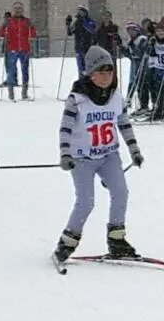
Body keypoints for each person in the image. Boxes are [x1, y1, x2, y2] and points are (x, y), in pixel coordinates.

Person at [53, 46, 144, 264]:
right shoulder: (77, 99)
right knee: (86, 202)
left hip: (109, 156)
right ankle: (67, 242)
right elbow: (65, 128)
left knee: (121, 193)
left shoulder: (115, 98)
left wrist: (134, 150)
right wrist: (65, 154)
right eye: (101, 72)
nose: (106, 77)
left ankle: (116, 238)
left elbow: (124, 124)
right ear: (90, 73)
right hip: (82, 160)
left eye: (110, 72)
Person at [0, 2, 37, 101]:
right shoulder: (9, 21)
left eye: (19, 8)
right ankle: (11, 94)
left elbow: (33, 34)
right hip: (12, 49)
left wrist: (32, 28)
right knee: (11, 71)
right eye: (16, 8)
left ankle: (24, 93)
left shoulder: (27, 21)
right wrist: (4, 25)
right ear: (13, 10)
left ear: (22, 10)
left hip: (24, 49)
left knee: (25, 71)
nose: (18, 10)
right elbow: (1, 33)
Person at [147, 23, 164, 121]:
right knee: (159, 91)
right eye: (158, 31)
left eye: (162, 31)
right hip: (159, 68)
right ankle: (161, 109)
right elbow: (150, 52)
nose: (160, 33)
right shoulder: (154, 41)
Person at [123, 22, 150, 114]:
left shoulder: (141, 39)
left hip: (143, 65)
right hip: (135, 64)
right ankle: (142, 105)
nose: (130, 32)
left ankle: (144, 105)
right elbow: (130, 55)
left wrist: (132, 46)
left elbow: (141, 54)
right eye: (128, 30)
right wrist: (122, 48)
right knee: (139, 85)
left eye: (132, 30)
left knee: (143, 85)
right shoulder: (131, 40)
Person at [65, 5, 97, 75]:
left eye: (81, 12)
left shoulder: (90, 21)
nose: (79, 14)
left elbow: (91, 30)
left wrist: (83, 21)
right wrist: (68, 24)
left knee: (88, 67)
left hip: (87, 48)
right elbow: (70, 33)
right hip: (78, 48)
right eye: (78, 12)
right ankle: (81, 80)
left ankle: (88, 81)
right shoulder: (77, 22)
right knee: (80, 67)